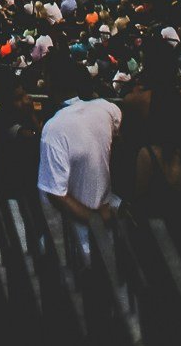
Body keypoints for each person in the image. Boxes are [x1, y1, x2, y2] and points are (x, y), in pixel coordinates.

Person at [37, 64, 120, 247]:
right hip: (105, 231)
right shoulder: (107, 109)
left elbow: (55, 193)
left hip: (74, 240)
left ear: (52, 85)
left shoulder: (53, 128)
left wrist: (95, 219)